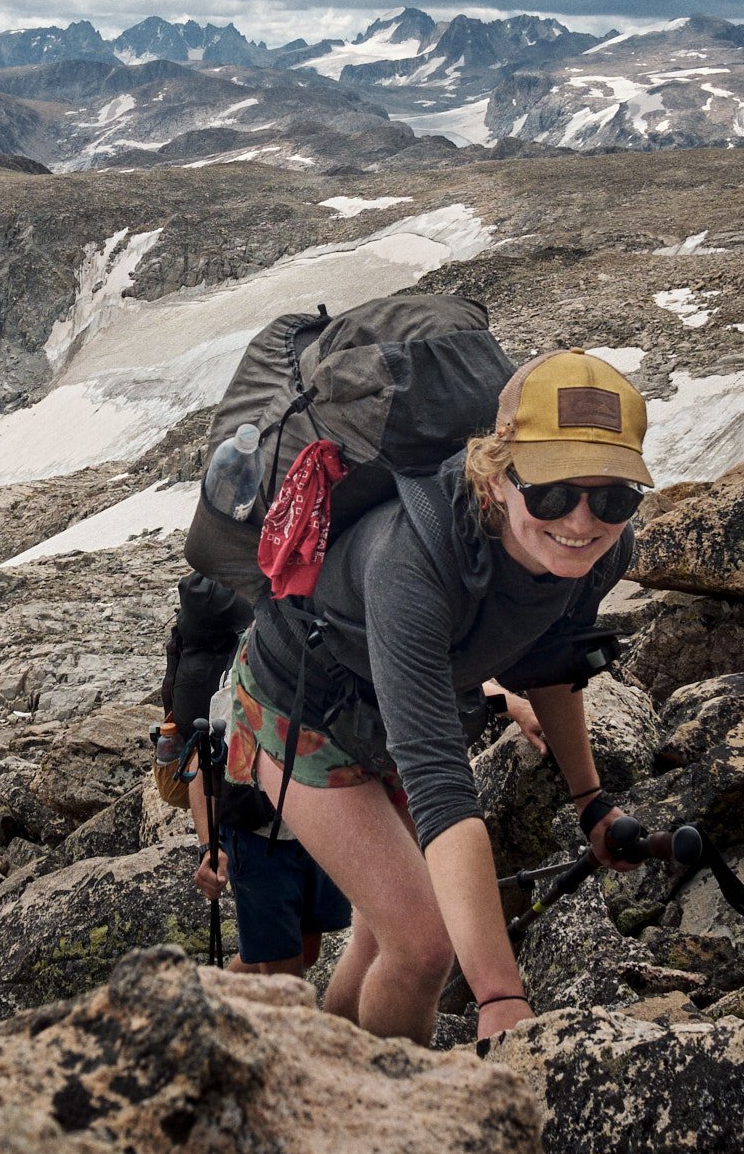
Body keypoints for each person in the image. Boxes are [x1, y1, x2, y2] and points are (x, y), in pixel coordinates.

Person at [225, 349, 651, 1045]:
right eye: (550, 491)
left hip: (408, 698)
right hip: (304, 708)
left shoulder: (604, 548)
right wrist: (501, 994)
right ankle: (394, 1115)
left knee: (377, 941)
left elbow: (552, 655)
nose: (581, 520)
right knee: (423, 942)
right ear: (497, 471)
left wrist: (591, 803)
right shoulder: (411, 561)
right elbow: (440, 782)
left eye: (613, 497)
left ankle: (331, 1074)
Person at [161, 572, 354, 977]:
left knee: (304, 951)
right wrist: (208, 849)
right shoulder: (250, 663)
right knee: (284, 973)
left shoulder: (335, 640)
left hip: (316, 822)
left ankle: (212, 1001)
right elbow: (205, 757)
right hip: (258, 835)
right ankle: (246, 1022)